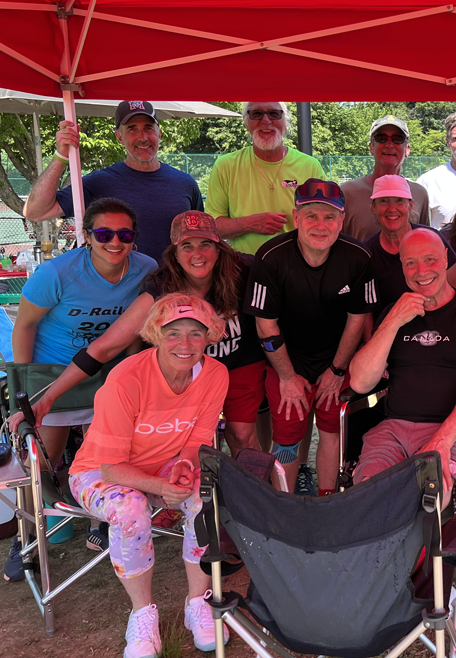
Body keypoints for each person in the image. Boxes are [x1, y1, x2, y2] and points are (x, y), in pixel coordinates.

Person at [11, 211, 266, 459]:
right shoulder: (162, 288)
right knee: (182, 444)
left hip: (240, 363)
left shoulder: (246, 270)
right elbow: (105, 348)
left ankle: (257, 499)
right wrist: (47, 398)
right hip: (182, 374)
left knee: (242, 435)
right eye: (187, 246)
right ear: (174, 254)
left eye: (206, 244)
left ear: (219, 248)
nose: (197, 254)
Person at [66, 294, 230, 656]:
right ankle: (142, 616)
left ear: (210, 336)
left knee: (206, 495)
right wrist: (159, 487)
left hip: (163, 464)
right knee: (131, 510)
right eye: (173, 333)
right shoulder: (126, 379)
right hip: (97, 471)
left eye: (195, 334)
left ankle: (197, 603)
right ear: (155, 333)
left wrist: (185, 468)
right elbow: (110, 467)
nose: (184, 344)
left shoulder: (216, 374)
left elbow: (199, 439)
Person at [5, 197, 156, 579]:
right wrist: (26, 382)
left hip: (107, 371)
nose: (115, 242)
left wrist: (129, 371)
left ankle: (100, 522)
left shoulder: (146, 269)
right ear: (87, 235)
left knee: (106, 454)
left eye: (124, 234)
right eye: (104, 233)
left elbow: (137, 329)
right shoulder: (57, 273)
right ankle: (26, 537)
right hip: (54, 370)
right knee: (42, 458)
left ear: (134, 238)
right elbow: (24, 326)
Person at [349, 229, 456, 501]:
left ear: (446, 258)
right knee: (368, 498)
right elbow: (360, 382)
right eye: (410, 263)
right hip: (393, 430)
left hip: (452, 430)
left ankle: (418, 544)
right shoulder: (393, 314)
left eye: (430, 259)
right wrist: (393, 321)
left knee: (429, 496)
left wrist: (441, 441)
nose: (421, 271)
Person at [245, 179, 377, 497]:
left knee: (331, 430)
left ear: (342, 220)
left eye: (329, 216)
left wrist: (336, 371)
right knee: (287, 435)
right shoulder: (271, 257)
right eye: (312, 215)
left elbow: (357, 319)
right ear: (296, 217)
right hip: (287, 361)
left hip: (335, 359)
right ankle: (285, 505)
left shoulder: (358, 257)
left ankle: (327, 499)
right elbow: (266, 326)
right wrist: (287, 377)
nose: (321, 225)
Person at [23, 101, 202, 263]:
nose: (143, 137)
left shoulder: (184, 183)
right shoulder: (100, 182)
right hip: (118, 293)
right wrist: (61, 155)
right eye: (132, 128)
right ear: (119, 136)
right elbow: (35, 211)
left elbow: (200, 237)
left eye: (148, 128)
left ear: (159, 133)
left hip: (173, 292)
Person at [205, 101, 325, 256]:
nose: (266, 121)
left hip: (298, 267)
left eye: (274, 114)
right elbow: (212, 226)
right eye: (256, 114)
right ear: (246, 123)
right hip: (244, 268)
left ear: (286, 122)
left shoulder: (310, 166)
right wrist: (251, 224)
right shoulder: (226, 166)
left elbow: (324, 222)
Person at [361, 175, 456, 322]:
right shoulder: (366, 253)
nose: (392, 209)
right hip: (390, 333)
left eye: (399, 201)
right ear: (374, 207)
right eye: (383, 201)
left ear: (411, 205)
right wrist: (372, 341)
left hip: (439, 328)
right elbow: (365, 311)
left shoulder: (432, 238)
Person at [341, 116, 431, 240]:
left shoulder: (419, 193)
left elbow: (425, 241)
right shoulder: (347, 193)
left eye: (398, 139)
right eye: (381, 138)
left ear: (407, 149)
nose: (389, 145)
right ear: (371, 147)